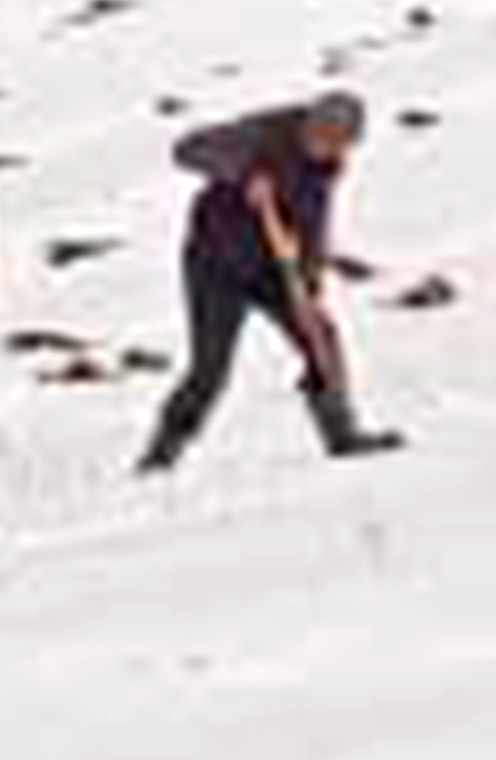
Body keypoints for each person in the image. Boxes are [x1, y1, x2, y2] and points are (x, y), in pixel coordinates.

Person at [138, 90, 392, 474]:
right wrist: (244, 172)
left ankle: (342, 435)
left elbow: (311, 224)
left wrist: (308, 282)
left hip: (273, 269)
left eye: (338, 144)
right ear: (311, 125)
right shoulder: (263, 133)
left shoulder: (325, 169)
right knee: (210, 370)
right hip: (214, 267)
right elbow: (187, 149)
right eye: (323, 138)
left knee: (321, 340)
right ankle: (161, 454)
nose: (326, 148)